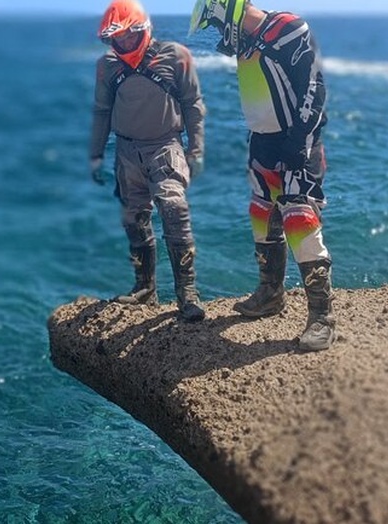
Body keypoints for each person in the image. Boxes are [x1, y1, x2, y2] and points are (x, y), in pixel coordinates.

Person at [189, 0, 337, 350]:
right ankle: (271, 293)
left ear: (226, 10)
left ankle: (322, 316)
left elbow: (315, 87)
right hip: (262, 143)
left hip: (296, 141)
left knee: (299, 218)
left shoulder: (288, 29)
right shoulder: (247, 44)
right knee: (261, 214)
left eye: (214, 23)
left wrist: (300, 139)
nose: (216, 33)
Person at [89, 0, 207, 322]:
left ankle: (187, 294)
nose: (125, 42)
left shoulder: (176, 56)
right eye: (119, 37)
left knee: (174, 208)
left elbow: (193, 105)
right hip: (126, 152)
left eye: (130, 35)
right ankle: (145, 288)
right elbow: (101, 111)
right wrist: (96, 155)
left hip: (165, 146)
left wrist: (196, 150)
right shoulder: (107, 66)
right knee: (134, 219)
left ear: (144, 29)